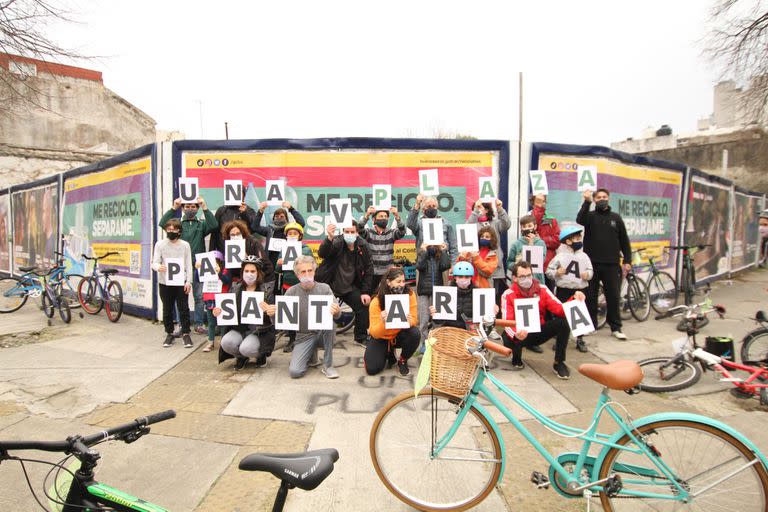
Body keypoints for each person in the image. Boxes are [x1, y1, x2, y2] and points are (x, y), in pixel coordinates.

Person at [501, 261, 583, 379]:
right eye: (522, 276)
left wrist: (575, 299)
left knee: (563, 323)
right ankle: (516, 357)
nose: (527, 279)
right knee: (508, 337)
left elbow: (560, 309)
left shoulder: (542, 289)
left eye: (529, 275)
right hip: (518, 333)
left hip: (538, 331)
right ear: (514, 278)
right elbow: (506, 321)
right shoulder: (508, 294)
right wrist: (516, 334)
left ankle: (559, 362)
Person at [576, 188, 631, 340]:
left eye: (604, 196)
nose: (602, 199)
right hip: (592, 264)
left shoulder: (616, 218)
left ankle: (616, 327)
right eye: (598, 197)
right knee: (591, 296)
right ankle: (590, 325)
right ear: (594, 200)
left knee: (613, 296)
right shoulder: (590, 216)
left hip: (612, 264)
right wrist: (586, 202)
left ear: (609, 198)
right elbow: (580, 220)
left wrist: (627, 260)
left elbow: (624, 241)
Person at [159, 196, 218, 335]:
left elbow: (214, 225)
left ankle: (198, 324)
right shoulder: (178, 224)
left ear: (197, 209)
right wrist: (174, 207)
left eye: (193, 207)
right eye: (187, 206)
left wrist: (204, 206)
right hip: (180, 267)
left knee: (199, 297)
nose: (190, 209)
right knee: (180, 298)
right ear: (183, 208)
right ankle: (181, 325)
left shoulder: (201, 224)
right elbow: (163, 224)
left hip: (199, 265)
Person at [280, 255, 342, 379]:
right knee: (295, 372)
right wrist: (274, 315)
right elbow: (282, 323)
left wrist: (336, 311)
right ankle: (311, 355)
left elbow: (338, 315)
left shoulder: (325, 288)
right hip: (303, 336)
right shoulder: (291, 292)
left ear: (314, 271)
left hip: (322, 333)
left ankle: (328, 365)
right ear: (297, 274)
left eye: (310, 270)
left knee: (330, 323)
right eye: (303, 271)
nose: (307, 274)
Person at [316, 222, 374, 346]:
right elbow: (322, 253)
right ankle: (319, 339)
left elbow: (369, 270)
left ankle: (360, 337)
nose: (349, 234)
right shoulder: (337, 242)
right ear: (342, 232)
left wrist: (365, 292)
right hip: (329, 284)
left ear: (357, 233)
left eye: (352, 232)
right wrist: (329, 238)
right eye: (347, 232)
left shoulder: (363, 246)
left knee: (363, 306)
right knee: (322, 311)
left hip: (349, 287)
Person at [213, 256, 275, 370]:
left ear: (258, 273)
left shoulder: (266, 291)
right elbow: (226, 309)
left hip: (258, 331)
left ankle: (260, 355)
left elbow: (274, 320)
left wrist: (270, 311)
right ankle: (241, 357)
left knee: (246, 348)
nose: (249, 274)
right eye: (246, 271)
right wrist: (218, 312)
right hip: (239, 329)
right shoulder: (235, 288)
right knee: (226, 342)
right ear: (242, 272)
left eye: (252, 271)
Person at [364, 266, 420, 376]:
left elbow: (414, 320)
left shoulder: (410, 294)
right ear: (388, 282)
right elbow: (374, 333)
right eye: (398, 281)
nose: (402, 284)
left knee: (415, 333)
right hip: (382, 337)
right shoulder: (377, 301)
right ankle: (388, 352)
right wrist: (382, 322)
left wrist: (410, 321)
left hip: (400, 334)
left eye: (403, 281)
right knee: (372, 369)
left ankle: (403, 360)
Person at [546, 226, 593, 353]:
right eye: (576, 239)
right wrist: (557, 272)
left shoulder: (584, 256)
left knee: (580, 314)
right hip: (564, 289)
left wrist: (587, 275)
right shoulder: (560, 256)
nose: (579, 241)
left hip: (580, 288)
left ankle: (580, 339)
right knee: (562, 315)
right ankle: (560, 339)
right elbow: (548, 271)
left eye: (579, 238)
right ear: (568, 241)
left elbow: (590, 270)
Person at [152, 219, 193, 348]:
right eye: (168, 229)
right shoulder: (160, 244)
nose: (171, 231)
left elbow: (188, 264)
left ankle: (186, 333)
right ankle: (169, 333)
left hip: (181, 282)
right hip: (165, 282)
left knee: (183, 308)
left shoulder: (185, 245)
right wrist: (158, 267)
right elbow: (154, 262)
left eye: (174, 229)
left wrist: (189, 281)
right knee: (167, 308)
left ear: (179, 231)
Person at [276, 222, 315, 353]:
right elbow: (277, 269)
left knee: (305, 312)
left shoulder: (306, 249)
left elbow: (309, 264)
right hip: (288, 285)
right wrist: (279, 263)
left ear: (300, 236)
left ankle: (308, 336)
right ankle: (292, 339)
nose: (292, 235)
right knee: (290, 314)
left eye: (295, 233)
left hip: (304, 286)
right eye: (289, 233)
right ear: (286, 236)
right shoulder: (283, 249)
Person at [429, 261, 498, 330]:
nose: (463, 279)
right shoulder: (445, 293)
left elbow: (487, 323)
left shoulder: (479, 293)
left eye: (467, 277)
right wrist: (435, 315)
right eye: (460, 276)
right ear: (455, 277)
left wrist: (491, 311)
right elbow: (439, 322)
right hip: (450, 332)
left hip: (470, 332)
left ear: (471, 278)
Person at [467, 198, 511, 299]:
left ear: (487, 210)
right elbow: (466, 229)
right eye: (476, 208)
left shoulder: (495, 223)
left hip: (494, 267)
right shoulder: (474, 224)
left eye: (480, 207)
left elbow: (506, 225)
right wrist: (474, 212)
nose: (478, 210)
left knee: (492, 296)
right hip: (477, 267)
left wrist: (500, 209)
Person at [357, 206, 406, 292]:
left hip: (387, 273)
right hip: (372, 273)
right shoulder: (368, 233)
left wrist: (397, 216)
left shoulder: (391, 233)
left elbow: (402, 231)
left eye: (385, 216)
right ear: (374, 220)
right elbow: (359, 228)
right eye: (381, 216)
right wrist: (367, 215)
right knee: (372, 297)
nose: (383, 218)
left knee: (386, 298)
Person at [220, 220, 275, 292]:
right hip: (244, 281)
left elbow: (263, 262)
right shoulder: (229, 247)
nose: (235, 236)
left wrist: (248, 259)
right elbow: (230, 271)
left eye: (238, 233)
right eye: (232, 235)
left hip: (264, 278)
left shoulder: (253, 242)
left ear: (243, 233)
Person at [415, 241, 451, 346]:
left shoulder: (439, 255)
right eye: (429, 244)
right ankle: (424, 343)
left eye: (433, 244)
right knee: (424, 319)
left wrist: (444, 250)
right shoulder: (423, 254)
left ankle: (436, 342)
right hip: (423, 292)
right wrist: (423, 251)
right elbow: (420, 266)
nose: (431, 246)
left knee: (437, 319)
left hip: (438, 292)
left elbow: (446, 265)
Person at [253, 201, 306, 269]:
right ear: (273, 218)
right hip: (271, 262)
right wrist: (260, 211)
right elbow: (255, 227)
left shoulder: (289, 229)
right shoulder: (269, 230)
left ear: (286, 218)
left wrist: (291, 208)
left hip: (287, 260)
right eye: (276, 216)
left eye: (282, 216)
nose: (279, 218)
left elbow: (301, 223)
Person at [406, 194, 458, 263]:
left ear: (437, 208)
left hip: (442, 262)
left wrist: (453, 264)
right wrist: (417, 204)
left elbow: (453, 247)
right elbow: (410, 224)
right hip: (423, 262)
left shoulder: (446, 223)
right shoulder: (419, 223)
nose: (432, 208)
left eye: (434, 206)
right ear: (423, 209)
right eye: (429, 206)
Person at [198, 250, 231, 353]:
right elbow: (198, 278)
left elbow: (227, 281)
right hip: (209, 299)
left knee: (222, 323)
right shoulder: (206, 272)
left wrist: (219, 273)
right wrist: (198, 269)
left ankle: (223, 342)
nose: (214, 264)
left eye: (216, 262)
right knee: (211, 323)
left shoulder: (225, 271)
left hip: (221, 300)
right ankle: (211, 342)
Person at [530, 194, 561, 289]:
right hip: (532, 263)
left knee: (549, 292)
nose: (540, 203)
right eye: (538, 201)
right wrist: (538, 209)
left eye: (542, 201)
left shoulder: (551, 220)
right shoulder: (528, 218)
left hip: (548, 264)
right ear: (533, 202)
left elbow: (557, 240)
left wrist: (541, 240)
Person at [508, 214, 548, 283]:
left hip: (536, 279)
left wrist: (531, 244)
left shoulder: (540, 243)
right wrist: (516, 264)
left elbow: (542, 260)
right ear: (521, 228)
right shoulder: (516, 244)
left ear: (535, 227)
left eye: (529, 226)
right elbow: (509, 262)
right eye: (524, 226)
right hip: (520, 280)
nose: (527, 229)